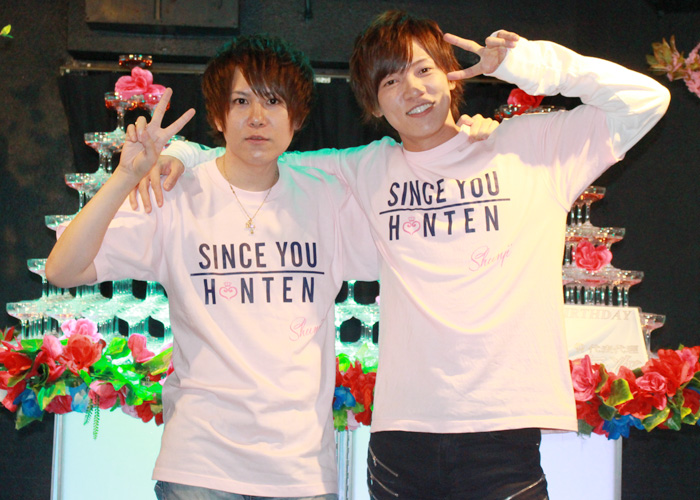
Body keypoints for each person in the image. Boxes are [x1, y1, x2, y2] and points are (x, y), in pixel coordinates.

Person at [136, 10, 670, 499]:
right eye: (389, 81)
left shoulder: (528, 149)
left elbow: (646, 100)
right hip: (399, 444)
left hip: (502, 436)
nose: (411, 89)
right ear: (374, 104)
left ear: (452, 75)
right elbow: (255, 156)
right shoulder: (366, 168)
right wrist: (182, 152)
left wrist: (530, 65)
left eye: (423, 70)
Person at [46, 35, 382, 500]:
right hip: (199, 468)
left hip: (301, 470)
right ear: (219, 116)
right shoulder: (176, 194)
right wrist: (124, 176)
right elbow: (62, 269)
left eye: (273, 101)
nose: (257, 117)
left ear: (298, 117)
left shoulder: (327, 197)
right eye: (241, 101)